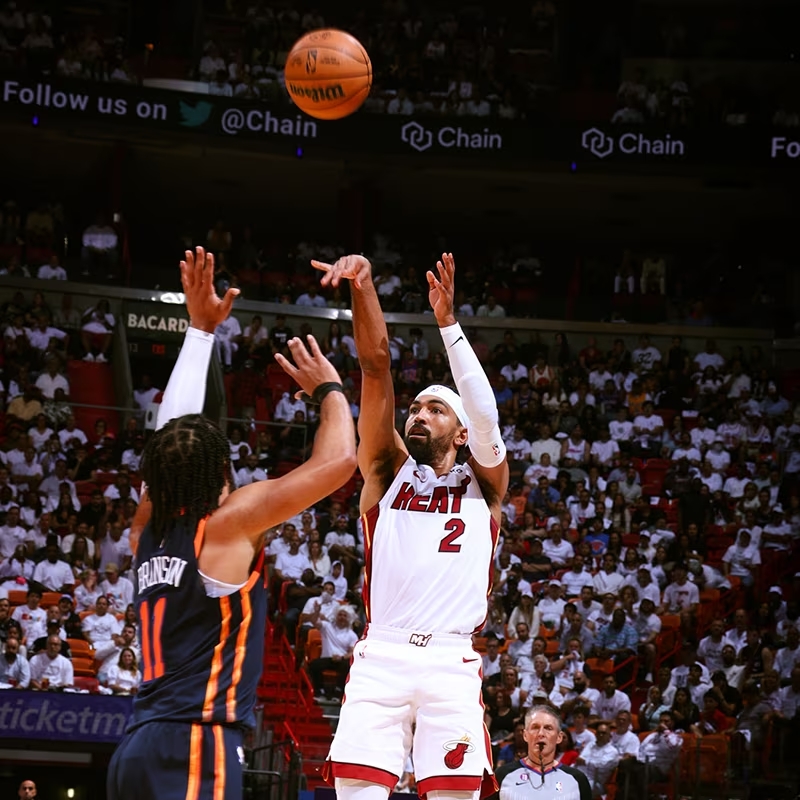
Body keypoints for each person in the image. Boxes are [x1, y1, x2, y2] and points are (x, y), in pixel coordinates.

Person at [106, 248, 357, 800]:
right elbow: (339, 463)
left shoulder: (145, 529)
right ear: (223, 468)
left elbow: (167, 439)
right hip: (193, 746)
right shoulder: (224, 525)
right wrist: (330, 390)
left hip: (138, 745)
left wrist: (200, 333)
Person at [313, 251, 510, 800]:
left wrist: (448, 324)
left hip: (452, 659)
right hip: (383, 654)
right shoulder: (385, 470)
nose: (417, 415)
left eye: (435, 410)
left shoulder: (487, 485)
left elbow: (487, 415)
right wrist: (363, 287)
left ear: (462, 433)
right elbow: (375, 367)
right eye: (415, 408)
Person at [490, 706, 592, 800]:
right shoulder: (502, 775)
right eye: (535, 727)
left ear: (559, 737)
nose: (541, 733)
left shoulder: (577, 779)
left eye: (548, 728)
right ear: (525, 735)